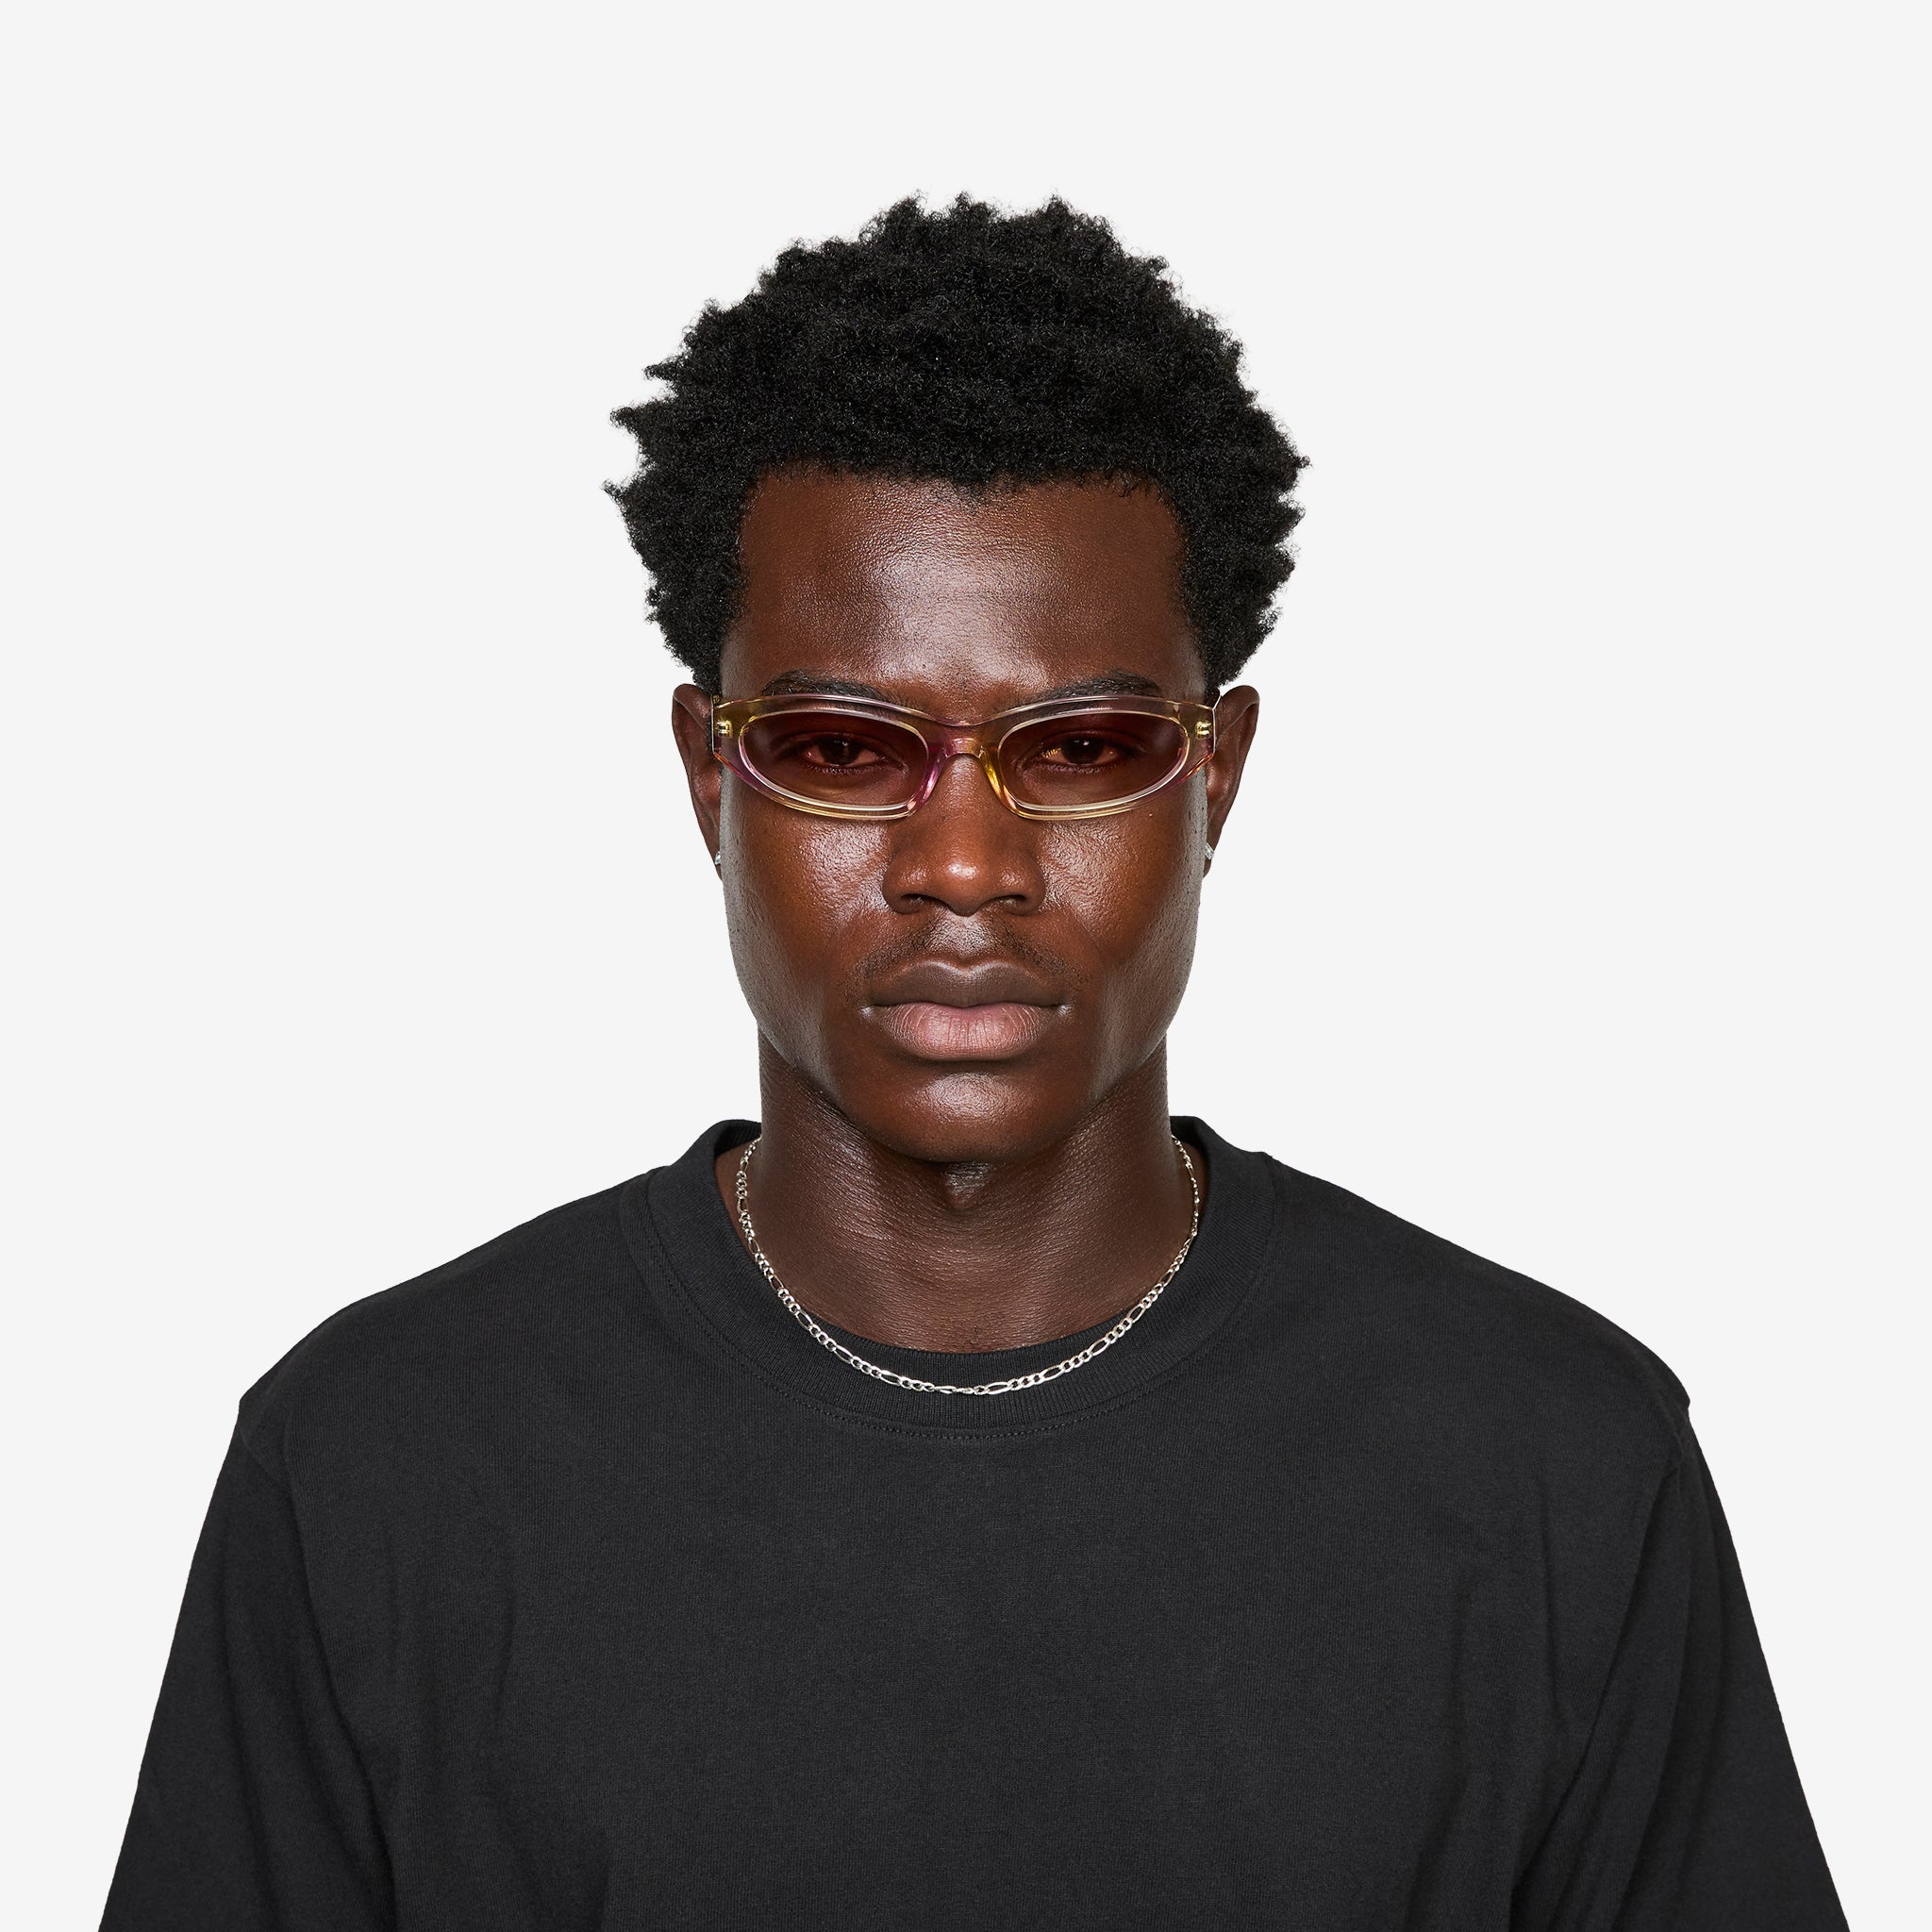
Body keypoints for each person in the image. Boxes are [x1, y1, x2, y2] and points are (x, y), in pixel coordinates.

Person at [101, 195, 1845, 1930]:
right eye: (840, 746)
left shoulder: (1552, 1465)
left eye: (1081, 747)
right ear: (709, 780)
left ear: (1215, 777)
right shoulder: (377, 1465)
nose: (961, 864)